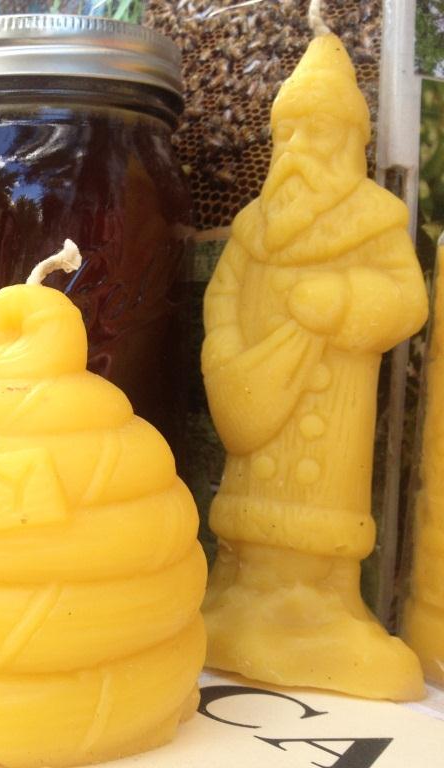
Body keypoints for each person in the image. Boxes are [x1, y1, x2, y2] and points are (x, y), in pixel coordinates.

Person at [200, 34, 427, 700]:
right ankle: (241, 595)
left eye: (317, 131)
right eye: (286, 132)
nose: (297, 148)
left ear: (353, 142)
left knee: (322, 508)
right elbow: (222, 297)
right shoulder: (253, 227)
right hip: (257, 395)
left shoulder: (374, 220)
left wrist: (345, 300)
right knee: (250, 505)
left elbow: (407, 302)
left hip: (332, 412)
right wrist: (226, 356)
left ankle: (324, 607)